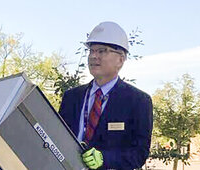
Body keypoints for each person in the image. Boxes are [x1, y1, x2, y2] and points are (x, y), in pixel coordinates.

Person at [59, 21, 153, 170]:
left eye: (102, 51)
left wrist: (105, 158)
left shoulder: (138, 101)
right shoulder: (71, 97)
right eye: (91, 51)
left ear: (120, 59)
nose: (94, 56)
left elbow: (139, 153)